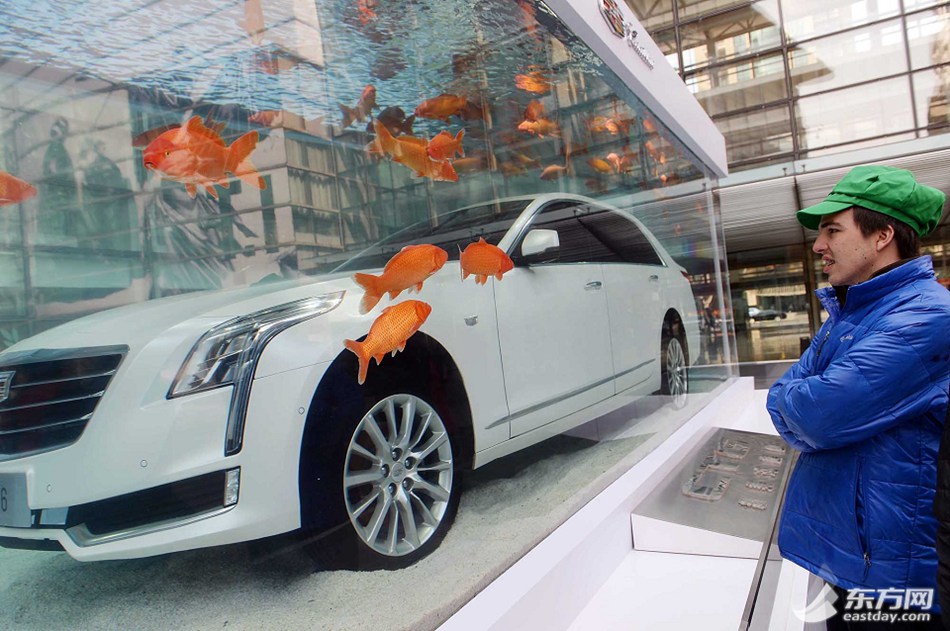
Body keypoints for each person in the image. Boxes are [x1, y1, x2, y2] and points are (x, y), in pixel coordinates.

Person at [766, 165, 950, 629]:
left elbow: (816, 416)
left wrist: (798, 402)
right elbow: (785, 394)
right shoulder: (852, 311)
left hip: (895, 581)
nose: (818, 245)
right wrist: (797, 399)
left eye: (832, 229)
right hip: (853, 559)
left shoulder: (927, 316)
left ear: (883, 234)